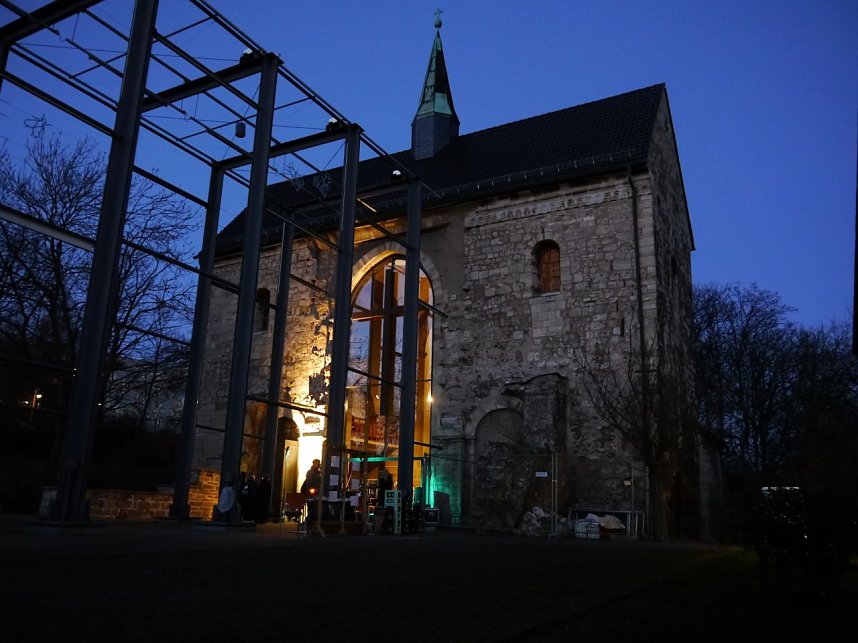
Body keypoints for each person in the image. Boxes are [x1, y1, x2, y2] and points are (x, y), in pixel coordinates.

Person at [301, 459, 322, 523]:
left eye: (319, 464)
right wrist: (311, 494)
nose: (319, 465)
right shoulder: (310, 472)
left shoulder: (318, 473)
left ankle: (310, 522)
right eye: (318, 464)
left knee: (314, 509)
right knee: (312, 509)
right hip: (311, 494)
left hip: (315, 493)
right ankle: (309, 523)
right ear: (314, 464)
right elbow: (309, 484)